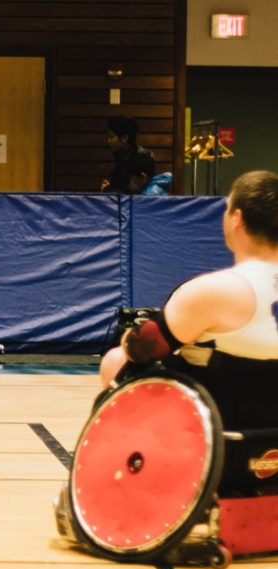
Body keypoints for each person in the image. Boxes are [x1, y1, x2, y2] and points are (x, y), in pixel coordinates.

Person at [99, 170, 278, 430]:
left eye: (227, 210)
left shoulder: (214, 290)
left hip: (218, 433)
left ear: (237, 219)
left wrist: (128, 339)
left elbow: (142, 348)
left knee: (116, 360)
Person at [101, 115, 153, 194]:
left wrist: (107, 190)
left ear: (124, 138)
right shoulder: (123, 157)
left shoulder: (139, 159)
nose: (108, 141)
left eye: (111, 137)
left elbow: (131, 193)